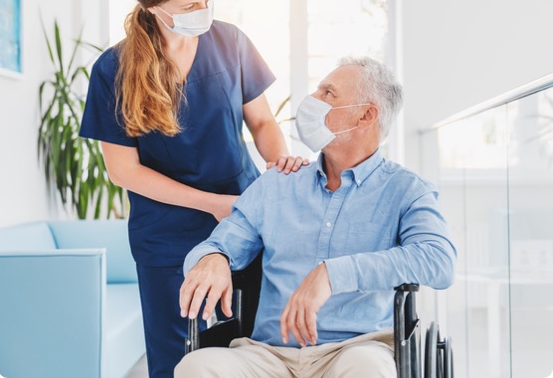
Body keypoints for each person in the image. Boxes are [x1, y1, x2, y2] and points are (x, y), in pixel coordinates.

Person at [79, 0, 307, 378]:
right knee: (177, 360)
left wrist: (280, 165)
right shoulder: (114, 69)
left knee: (251, 351)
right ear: (151, 5)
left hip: (244, 222)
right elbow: (123, 170)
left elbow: (262, 123)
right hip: (168, 235)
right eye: (187, 6)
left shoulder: (231, 42)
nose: (202, 12)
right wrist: (212, 204)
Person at [175, 57, 457, 378]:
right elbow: (223, 243)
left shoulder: (406, 190)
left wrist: (332, 274)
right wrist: (213, 257)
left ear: (366, 115)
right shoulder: (278, 183)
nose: (313, 101)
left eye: (328, 93)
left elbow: (439, 261)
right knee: (197, 366)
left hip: (356, 349)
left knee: (369, 369)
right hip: (269, 355)